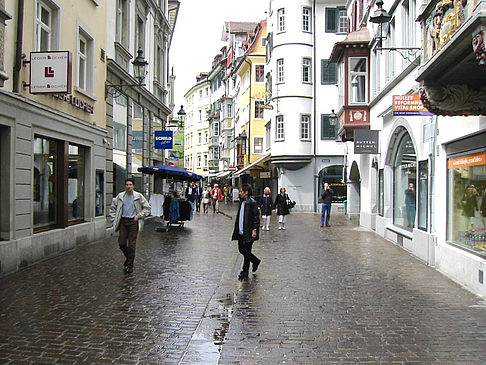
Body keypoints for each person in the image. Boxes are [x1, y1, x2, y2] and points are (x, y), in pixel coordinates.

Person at [109, 178, 151, 274]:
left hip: (133, 222)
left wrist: (139, 216)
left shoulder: (138, 196)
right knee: (122, 243)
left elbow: (147, 208)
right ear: (125, 186)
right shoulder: (120, 196)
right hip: (123, 221)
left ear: (133, 186)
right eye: (127, 184)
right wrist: (114, 220)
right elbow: (112, 209)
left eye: (130, 184)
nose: (128, 186)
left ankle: (130, 265)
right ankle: (129, 258)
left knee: (131, 244)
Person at [232, 183, 261, 280]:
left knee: (247, 251)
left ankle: (245, 271)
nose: (240, 193)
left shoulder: (252, 202)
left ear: (246, 192)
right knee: (242, 250)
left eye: (241, 192)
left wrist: (255, 229)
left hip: (248, 231)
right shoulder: (242, 202)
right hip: (241, 230)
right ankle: (255, 261)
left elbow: (256, 217)